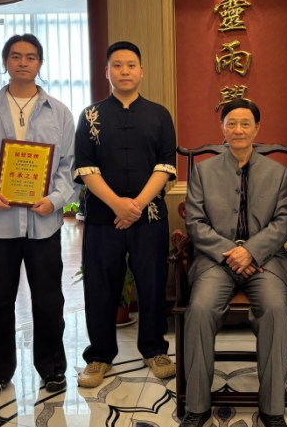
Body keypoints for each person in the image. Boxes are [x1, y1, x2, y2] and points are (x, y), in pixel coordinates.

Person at [0, 33, 78, 401]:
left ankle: (52, 370)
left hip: (44, 223)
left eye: (30, 57)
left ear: (40, 63)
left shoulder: (59, 112)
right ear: (5, 62)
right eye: (15, 56)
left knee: (48, 300)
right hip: (0, 224)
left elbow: (69, 167)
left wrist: (55, 200)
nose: (23, 62)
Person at [182, 98, 287, 427]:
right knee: (200, 308)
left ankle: (272, 409)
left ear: (257, 128)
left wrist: (252, 251)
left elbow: (284, 220)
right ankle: (197, 406)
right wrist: (232, 252)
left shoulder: (278, 173)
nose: (238, 130)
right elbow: (195, 223)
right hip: (215, 261)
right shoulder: (203, 172)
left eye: (246, 123)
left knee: (275, 309)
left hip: (266, 261)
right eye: (231, 123)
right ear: (222, 128)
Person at [74, 41, 177, 387]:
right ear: (107, 72)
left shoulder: (160, 115)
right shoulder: (90, 116)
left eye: (131, 65)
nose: (124, 71)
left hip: (149, 218)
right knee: (100, 286)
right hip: (103, 217)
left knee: (152, 282)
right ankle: (100, 356)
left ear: (141, 71)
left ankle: (154, 349)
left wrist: (136, 206)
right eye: (117, 65)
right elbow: (85, 168)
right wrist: (118, 204)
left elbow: (165, 166)